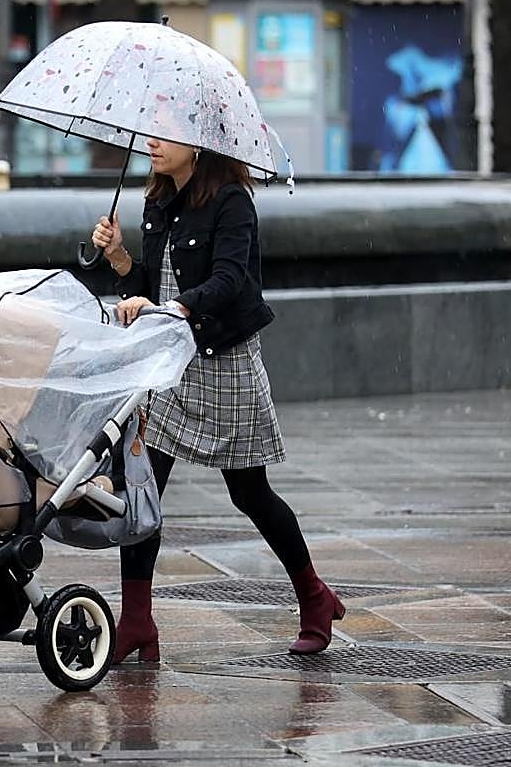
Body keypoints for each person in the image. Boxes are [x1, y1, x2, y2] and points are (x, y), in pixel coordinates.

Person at [90, 136, 344, 663]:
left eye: (167, 134)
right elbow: (151, 289)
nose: (154, 144)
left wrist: (177, 309)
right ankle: (136, 621)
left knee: (250, 494)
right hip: (169, 364)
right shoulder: (157, 200)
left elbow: (231, 280)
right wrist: (118, 259)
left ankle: (315, 598)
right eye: (152, 132)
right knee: (142, 489)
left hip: (222, 360)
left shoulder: (232, 201)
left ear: (199, 144)